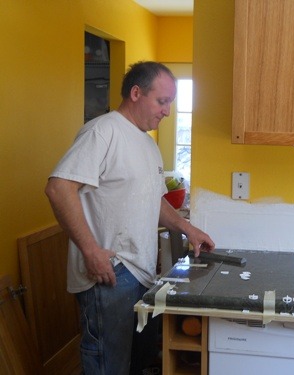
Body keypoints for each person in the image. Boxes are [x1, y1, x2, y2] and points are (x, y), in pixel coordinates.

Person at [45, 61, 215, 375]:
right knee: (107, 363)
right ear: (136, 93)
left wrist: (187, 227)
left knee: (136, 360)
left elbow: (154, 200)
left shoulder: (148, 144)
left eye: (170, 103)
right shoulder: (103, 131)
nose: (167, 111)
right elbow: (59, 188)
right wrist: (92, 252)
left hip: (141, 272)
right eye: (161, 101)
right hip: (110, 273)